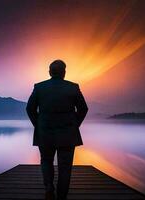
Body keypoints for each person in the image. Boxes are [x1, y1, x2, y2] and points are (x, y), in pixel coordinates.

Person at [26, 60, 88, 200]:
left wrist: (38, 125)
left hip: (45, 133)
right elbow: (83, 109)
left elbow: (30, 109)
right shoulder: (73, 87)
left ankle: (49, 187)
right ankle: (62, 196)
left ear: (49, 72)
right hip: (67, 134)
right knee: (65, 166)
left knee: (46, 161)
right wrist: (74, 125)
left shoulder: (39, 87)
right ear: (64, 73)